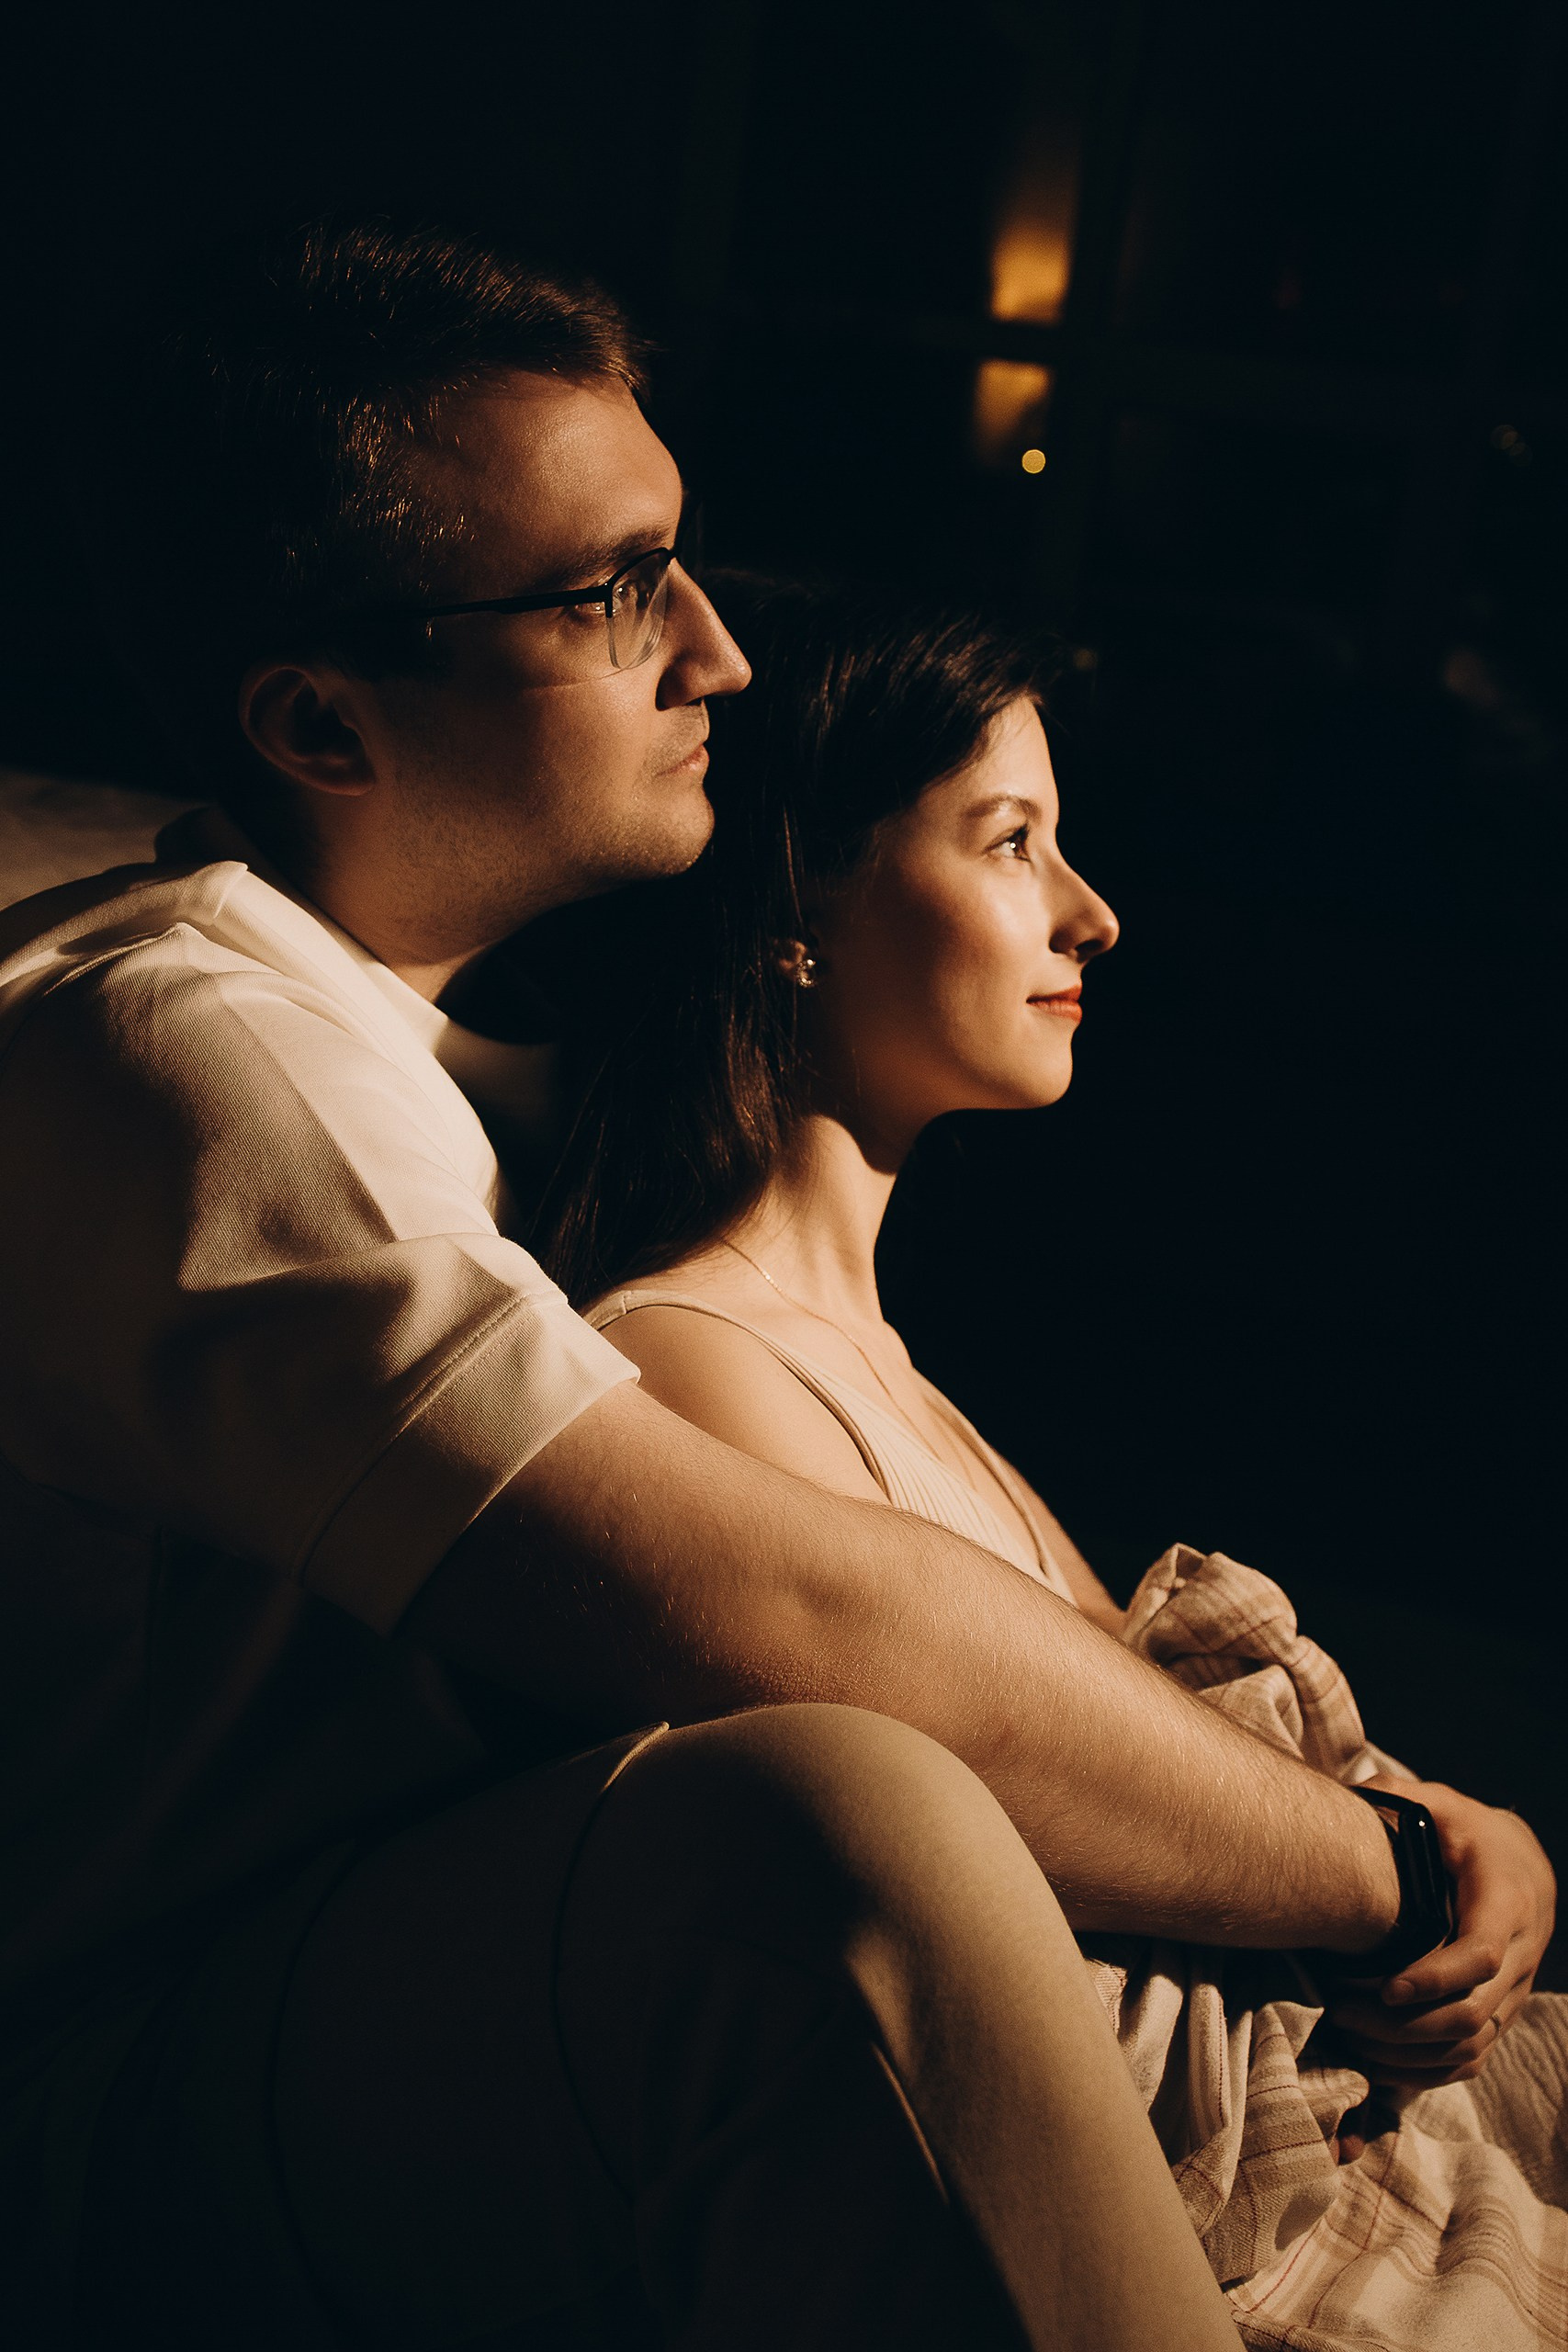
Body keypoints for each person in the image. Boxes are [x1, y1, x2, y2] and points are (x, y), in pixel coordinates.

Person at [0, 214, 1450, 2352]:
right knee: (817, 1828)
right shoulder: (178, 1046)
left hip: (365, 1982)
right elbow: (784, 1608)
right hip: (135, 2083)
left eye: (678, 561)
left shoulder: (433, 1066)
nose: (716, 651)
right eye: (611, 592)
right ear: (319, 716)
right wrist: (1388, 1873)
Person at [534, 570, 1568, 2345]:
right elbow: (1009, 1873)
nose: (1091, 913)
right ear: (798, 907)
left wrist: (1485, 1853)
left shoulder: (881, 1367)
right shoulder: (692, 1367)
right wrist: (1395, 1869)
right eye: (1011, 841)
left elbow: (1177, 1768)